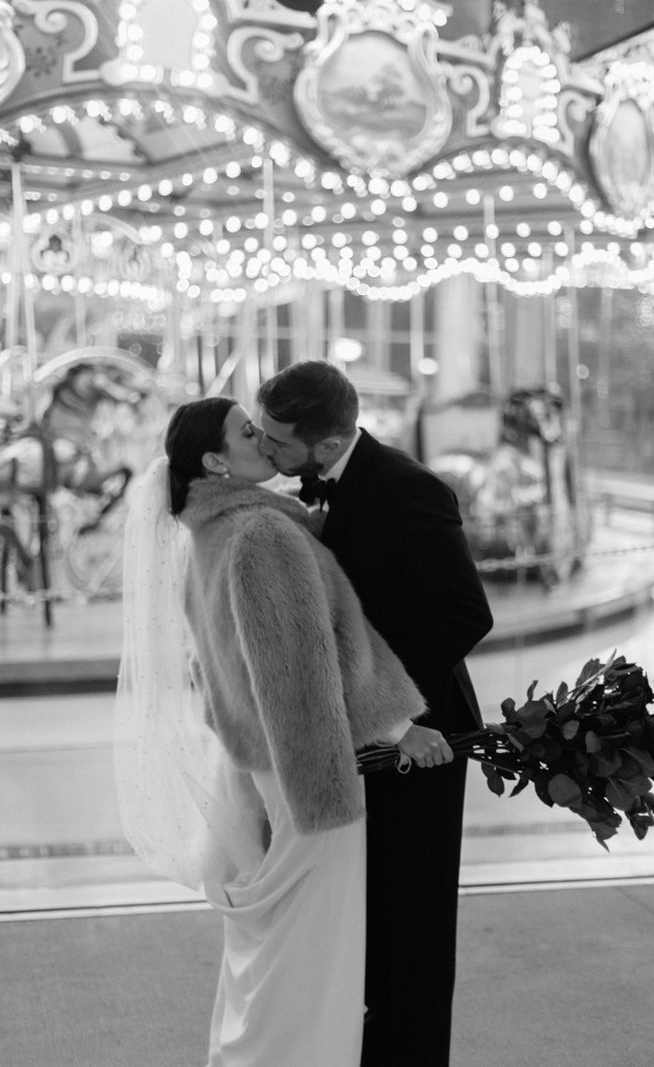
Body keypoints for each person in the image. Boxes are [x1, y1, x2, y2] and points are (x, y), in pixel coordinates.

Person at [114, 396, 427, 1067]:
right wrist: (399, 726)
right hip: (310, 770)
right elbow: (300, 668)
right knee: (315, 949)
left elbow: (221, 668)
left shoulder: (213, 533)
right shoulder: (262, 534)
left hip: (262, 762)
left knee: (273, 942)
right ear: (216, 459)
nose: (264, 438)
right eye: (247, 431)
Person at [257, 361, 494, 1067]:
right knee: (367, 922)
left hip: (419, 736)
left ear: (327, 446)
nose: (267, 451)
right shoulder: (313, 486)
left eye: (277, 441)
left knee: (412, 926)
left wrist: (381, 702)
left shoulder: (409, 490)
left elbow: (464, 613)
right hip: (359, 735)